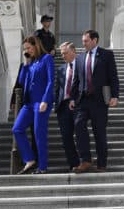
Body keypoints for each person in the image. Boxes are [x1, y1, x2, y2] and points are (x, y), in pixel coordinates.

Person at [73, 29, 120, 173]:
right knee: (78, 125)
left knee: (99, 132)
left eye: (86, 41)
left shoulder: (106, 55)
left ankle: (101, 164)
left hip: (99, 101)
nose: (84, 44)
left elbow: (113, 77)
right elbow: (76, 80)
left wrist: (114, 96)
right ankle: (86, 160)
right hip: (83, 100)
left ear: (95, 40)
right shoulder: (80, 58)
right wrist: (72, 98)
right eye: (83, 41)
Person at [12, 35, 54, 174]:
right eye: (25, 49)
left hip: (40, 103)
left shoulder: (46, 59)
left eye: (29, 48)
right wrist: (26, 63)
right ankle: (29, 159)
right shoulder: (30, 63)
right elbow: (22, 81)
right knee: (17, 129)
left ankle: (43, 167)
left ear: (36, 45)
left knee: (38, 134)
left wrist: (45, 100)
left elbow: (50, 81)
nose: (27, 51)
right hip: (29, 103)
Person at [54, 41, 80, 171]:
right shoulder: (60, 69)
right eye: (61, 53)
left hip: (78, 105)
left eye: (65, 53)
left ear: (73, 51)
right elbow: (57, 89)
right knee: (66, 137)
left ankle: (84, 161)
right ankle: (74, 164)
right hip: (63, 107)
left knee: (80, 134)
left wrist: (75, 99)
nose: (63, 56)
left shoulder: (82, 67)